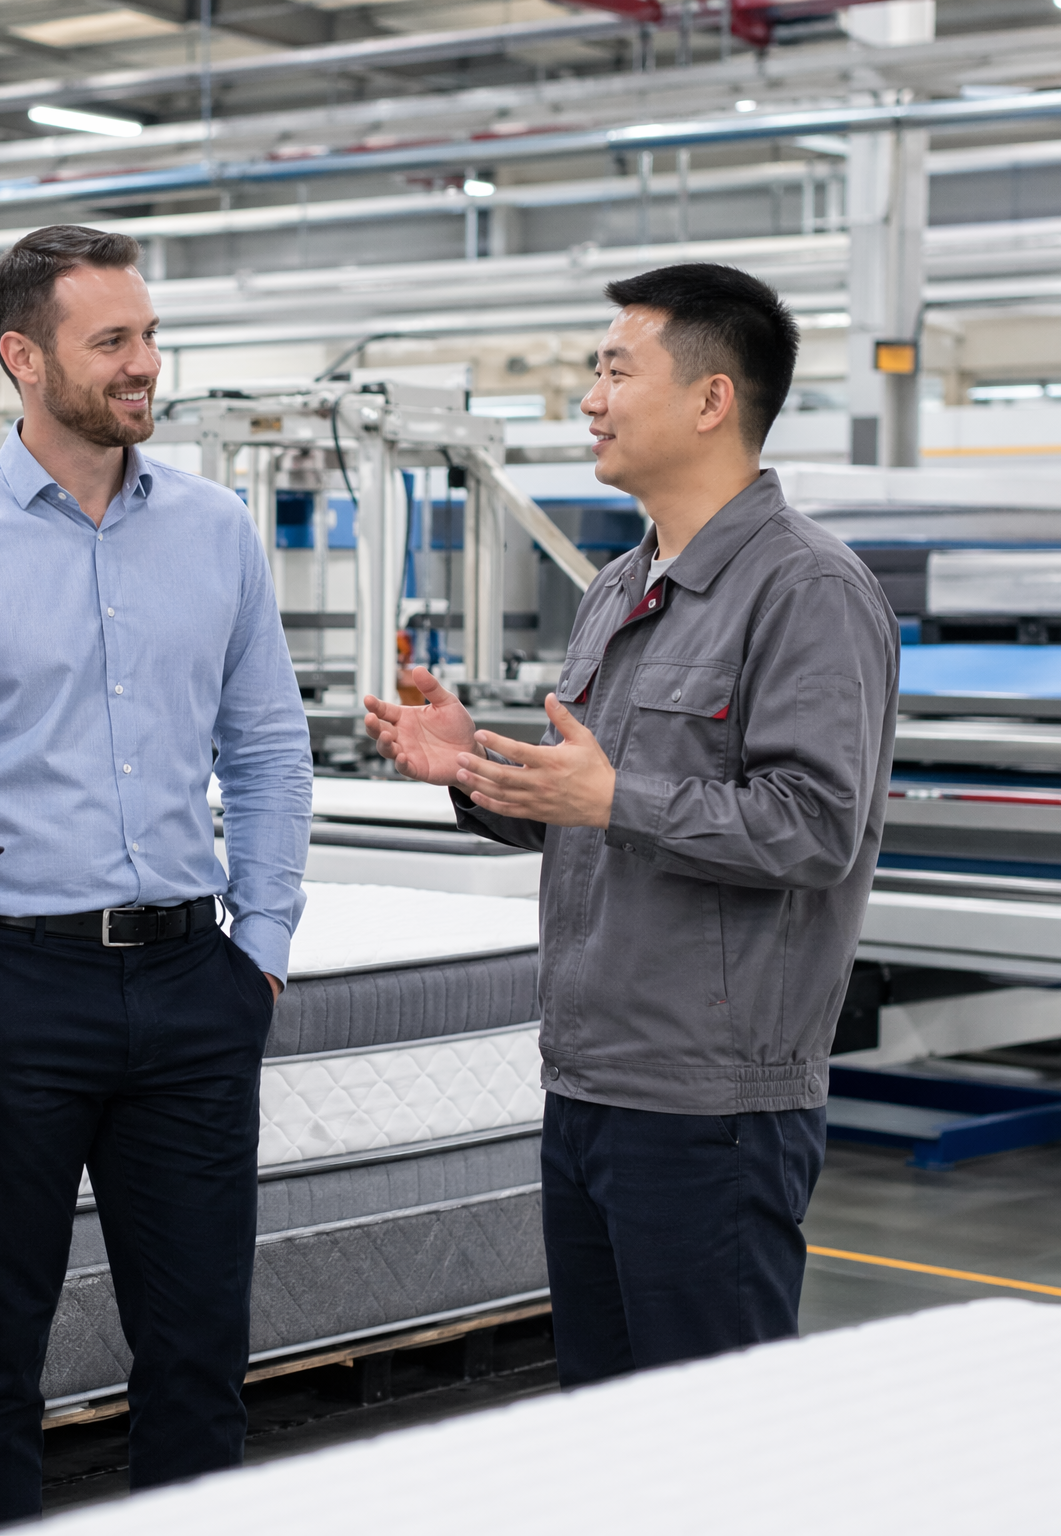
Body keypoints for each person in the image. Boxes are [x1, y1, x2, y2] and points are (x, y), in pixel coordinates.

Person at [0, 225, 314, 1535]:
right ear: (23, 357)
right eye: (111, 341)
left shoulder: (215, 531)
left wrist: (261, 947)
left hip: (195, 982)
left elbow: (267, 750)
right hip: (8, 991)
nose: (144, 363)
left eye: (149, 335)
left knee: (200, 1352)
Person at [363, 263, 898, 1386]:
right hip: (588, 1080)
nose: (589, 399)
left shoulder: (807, 590)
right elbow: (588, 808)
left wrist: (611, 798)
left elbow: (813, 828)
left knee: (710, 1432)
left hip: (712, 1104)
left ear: (711, 400)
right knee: (606, 1426)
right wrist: (474, 770)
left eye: (615, 371)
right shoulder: (620, 586)